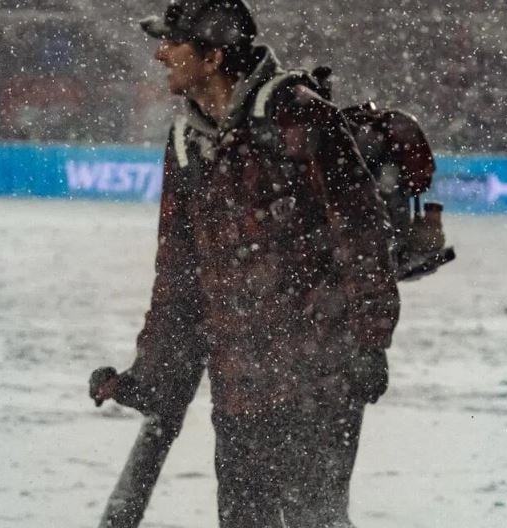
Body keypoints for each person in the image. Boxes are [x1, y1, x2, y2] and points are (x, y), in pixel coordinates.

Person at [92, 1, 400, 526]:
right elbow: (178, 274)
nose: (162, 54)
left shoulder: (300, 114)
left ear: (211, 56)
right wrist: (153, 377)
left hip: (319, 375)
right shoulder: (186, 140)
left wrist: (369, 343)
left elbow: (361, 236)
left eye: (173, 43)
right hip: (240, 386)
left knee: (315, 519)